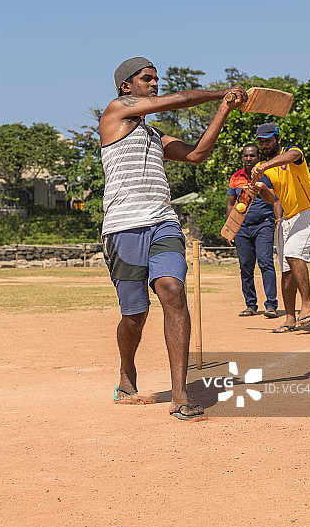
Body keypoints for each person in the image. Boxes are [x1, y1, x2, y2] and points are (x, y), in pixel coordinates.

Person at [99, 56, 247, 419]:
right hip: (123, 227)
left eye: (156, 79)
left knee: (173, 290)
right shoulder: (115, 114)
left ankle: (180, 394)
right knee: (135, 315)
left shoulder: (155, 136)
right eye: (147, 79)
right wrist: (219, 93)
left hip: (163, 222)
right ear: (126, 87)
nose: (154, 84)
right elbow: (180, 100)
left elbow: (197, 154)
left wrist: (224, 109)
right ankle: (127, 374)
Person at [250, 123, 310, 333]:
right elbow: (272, 199)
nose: (265, 145)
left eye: (268, 141)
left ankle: (308, 304)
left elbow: (292, 156)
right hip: (288, 217)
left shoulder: (292, 153)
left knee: (293, 256)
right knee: (285, 269)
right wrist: (261, 187)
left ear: (277, 140)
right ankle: (290, 318)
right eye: (261, 142)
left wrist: (264, 167)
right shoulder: (265, 169)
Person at [227, 143, 281, 318]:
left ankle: (271, 305)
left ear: (259, 157)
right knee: (245, 267)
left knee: (266, 263)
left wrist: (278, 220)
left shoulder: (267, 175)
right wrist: (230, 228)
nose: (249, 158)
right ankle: (251, 305)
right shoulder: (236, 177)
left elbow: (276, 200)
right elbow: (230, 204)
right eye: (246, 156)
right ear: (242, 157)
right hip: (242, 228)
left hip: (263, 225)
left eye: (252, 155)